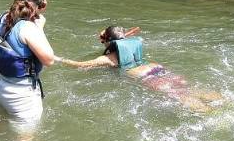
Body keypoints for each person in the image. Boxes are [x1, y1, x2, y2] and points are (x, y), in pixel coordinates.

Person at [55, 26, 222, 112]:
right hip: (156, 68)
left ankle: (215, 115)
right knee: (187, 89)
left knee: (181, 96)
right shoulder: (130, 44)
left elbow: (79, 65)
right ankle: (225, 102)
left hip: (146, 77)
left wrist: (57, 59)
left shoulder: (108, 58)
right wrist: (107, 36)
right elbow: (114, 35)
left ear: (109, 41)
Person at [0, 0, 56, 130]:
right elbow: (49, 60)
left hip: (1, 88)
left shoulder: (1, 18)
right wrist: (39, 28)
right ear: (36, 6)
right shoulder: (28, 28)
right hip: (22, 97)